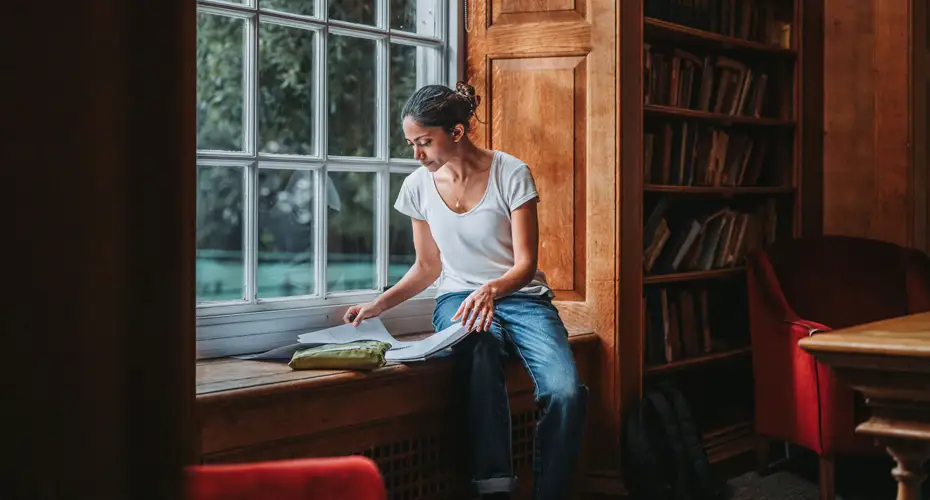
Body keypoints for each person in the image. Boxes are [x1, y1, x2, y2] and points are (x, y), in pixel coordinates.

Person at [344, 82, 587, 500]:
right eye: (411, 143)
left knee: (565, 391)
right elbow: (427, 267)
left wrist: (492, 290)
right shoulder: (418, 187)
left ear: (457, 132)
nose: (417, 155)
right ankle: (493, 488)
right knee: (478, 349)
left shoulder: (511, 173)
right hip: (458, 299)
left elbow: (525, 264)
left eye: (424, 142)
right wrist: (378, 305)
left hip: (522, 298)